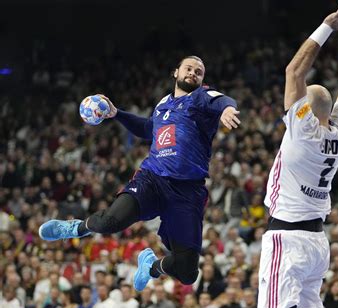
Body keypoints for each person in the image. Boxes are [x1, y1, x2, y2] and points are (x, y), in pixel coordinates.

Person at [38, 55, 240, 290]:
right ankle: (74, 228)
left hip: (187, 191)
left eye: (199, 71)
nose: (193, 73)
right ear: (176, 72)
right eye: (189, 68)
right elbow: (148, 129)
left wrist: (227, 110)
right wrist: (117, 114)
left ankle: (152, 267)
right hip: (152, 179)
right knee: (111, 221)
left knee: (187, 272)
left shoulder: (201, 97)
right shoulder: (164, 103)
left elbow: (224, 100)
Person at [257, 5, 338, 308]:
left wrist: (326, 27)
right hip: (316, 243)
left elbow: (294, 71)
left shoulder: (302, 129)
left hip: (289, 237)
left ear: (305, 110)